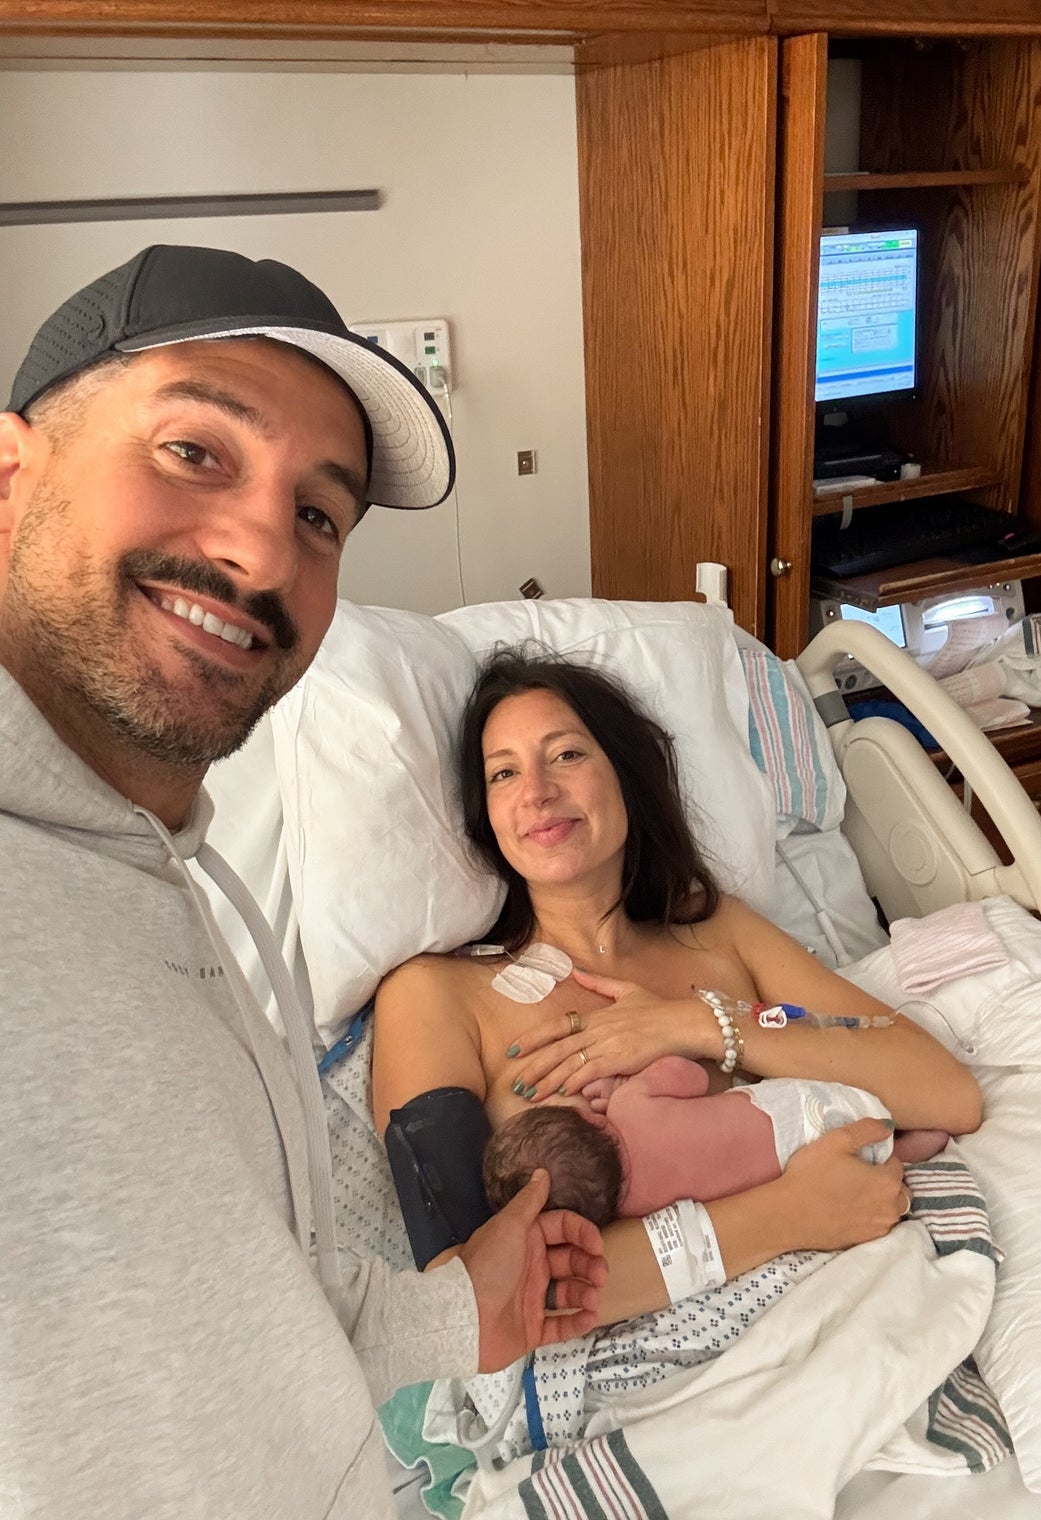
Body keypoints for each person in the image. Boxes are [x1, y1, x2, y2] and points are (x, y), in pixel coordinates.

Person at [0, 245, 605, 1519]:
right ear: (11, 476)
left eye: (320, 514)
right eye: (194, 450)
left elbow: (232, 1310)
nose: (264, 549)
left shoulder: (175, 890)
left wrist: (456, 1314)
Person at [373, 648, 982, 1326]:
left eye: (567, 755)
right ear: (486, 815)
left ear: (626, 774)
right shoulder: (434, 997)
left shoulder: (720, 934)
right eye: (503, 773)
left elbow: (946, 1094)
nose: (536, 791)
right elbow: (466, 1302)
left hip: (853, 1306)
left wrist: (697, 1024)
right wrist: (786, 1214)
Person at [483, 1057, 951, 1227]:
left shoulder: (635, 1213)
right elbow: (688, 1076)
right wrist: (629, 1082)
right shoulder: (629, 1105)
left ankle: (908, 1150)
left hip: (804, 1169)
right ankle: (910, 1118)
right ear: (592, 1120)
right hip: (801, 1107)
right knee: (864, 1105)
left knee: (880, 1156)